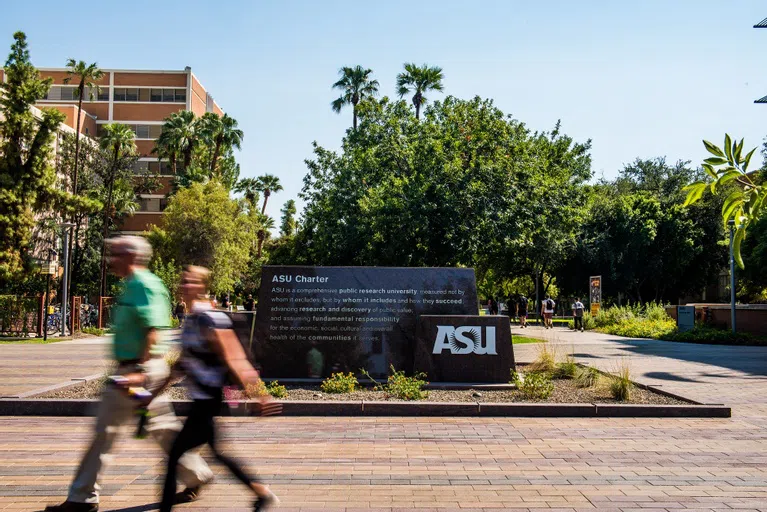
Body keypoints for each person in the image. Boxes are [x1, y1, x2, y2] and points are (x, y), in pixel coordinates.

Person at [45, 236, 212, 512]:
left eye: (116, 254)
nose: (111, 260)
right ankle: (197, 474)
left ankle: (82, 498)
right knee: (159, 429)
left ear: (131, 257)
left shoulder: (145, 286)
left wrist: (138, 371)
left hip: (137, 372)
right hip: (135, 372)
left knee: (106, 430)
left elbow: (153, 329)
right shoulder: (132, 286)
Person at [159, 266, 279, 512]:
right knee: (217, 453)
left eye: (190, 281)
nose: (184, 285)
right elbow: (183, 362)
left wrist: (258, 393)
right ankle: (261, 492)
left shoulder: (210, 318)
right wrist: (155, 390)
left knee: (174, 456)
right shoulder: (192, 319)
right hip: (201, 399)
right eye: (183, 280)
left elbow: (234, 357)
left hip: (208, 399)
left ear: (202, 286)